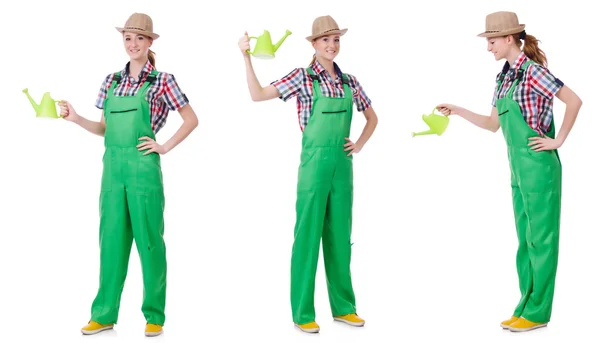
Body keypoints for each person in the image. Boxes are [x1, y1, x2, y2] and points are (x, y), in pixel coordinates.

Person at [437, 11, 582, 332]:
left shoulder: (533, 72)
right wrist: (457, 110)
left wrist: (557, 141)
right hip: (517, 169)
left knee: (542, 240)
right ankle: (525, 305)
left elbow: (573, 101)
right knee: (525, 241)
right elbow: (492, 125)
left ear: (509, 39)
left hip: (540, 168)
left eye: (491, 41)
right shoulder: (503, 78)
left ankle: (539, 312)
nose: (488, 47)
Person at [58, 12, 198, 337]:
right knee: (110, 242)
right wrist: (77, 118)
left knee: (149, 242)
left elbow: (191, 119)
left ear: (150, 42)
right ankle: (103, 314)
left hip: (143, 169)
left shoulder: (163, 80)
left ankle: (155, 315)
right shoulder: (111, 81)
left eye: (139, 38)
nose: (132, 44)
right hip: (112, 171)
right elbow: (104, 128)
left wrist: (164, 146)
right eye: (128, 38)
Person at [238, 15, 378, 333]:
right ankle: (302, 311)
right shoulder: (302, 77)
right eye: (325, 40)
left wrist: (358, 145)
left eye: (336, 40)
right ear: (313, 45)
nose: (332, 45)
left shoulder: (350, 82)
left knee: (340, 237)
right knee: (307, 237)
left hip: (343, 168)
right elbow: (257, 94)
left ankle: (344, 307)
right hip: (313, 166)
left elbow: (373, 118)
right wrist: (245, 56)